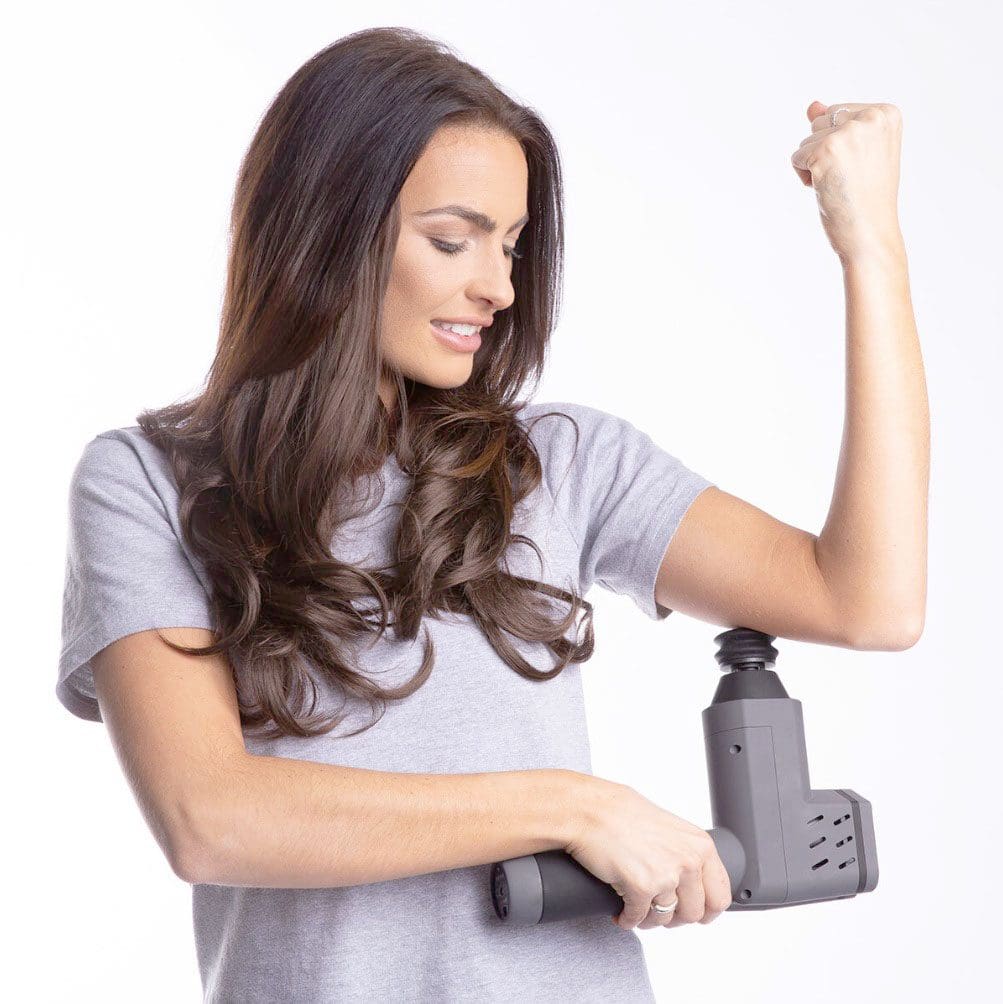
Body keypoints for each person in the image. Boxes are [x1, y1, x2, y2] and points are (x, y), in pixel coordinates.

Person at [58, 26, 922, 1004]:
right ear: (325, 228)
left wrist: (872, 249)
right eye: (451, 238)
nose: (498, 287)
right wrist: (569, 805)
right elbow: (209, 817)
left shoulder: (560, 463)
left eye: (510, 245)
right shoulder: (146, 483)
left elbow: (869, 603)